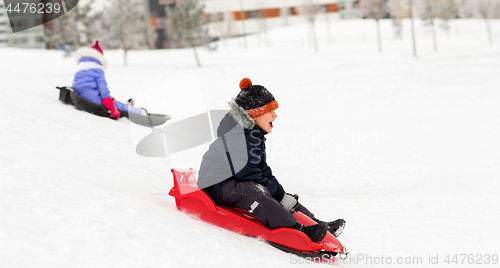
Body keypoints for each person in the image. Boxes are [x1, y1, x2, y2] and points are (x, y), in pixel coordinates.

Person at [197, 78, 345, 243]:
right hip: (216, 184)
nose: (275, 115)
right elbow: (249, 175)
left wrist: (282, 195)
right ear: (254, 114)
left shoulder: (254, 134)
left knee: (279, 194)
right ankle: (298, 230)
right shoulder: (237, 137)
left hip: (236, 178)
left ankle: (315, 222)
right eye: (270, 111)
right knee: (256, 193)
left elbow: (262, 170)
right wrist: (278, 196)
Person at [72, 41, 143, 119]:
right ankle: (139, 111)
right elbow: (103, 88)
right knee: (113, 103)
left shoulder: (80, 69)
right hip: (92, 97)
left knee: (112, 101)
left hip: (80, 95)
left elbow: (75, 84)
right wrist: (107, 100)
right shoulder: (97, 69)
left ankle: (126, 105)